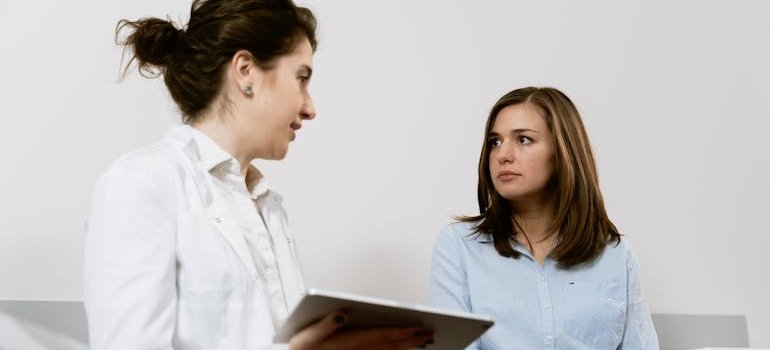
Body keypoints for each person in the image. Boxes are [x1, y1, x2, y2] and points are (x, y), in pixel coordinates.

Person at [83, 1, 434, 349]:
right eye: (301, 78)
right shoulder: (142, 184)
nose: (310, 108)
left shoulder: (267, 208)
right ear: (246, 71)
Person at [428, 87, 659, 349]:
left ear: (563, 151)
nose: (503, 155)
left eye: (523, 139)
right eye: (495, 142)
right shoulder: (458, 247)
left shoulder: (616, 256)